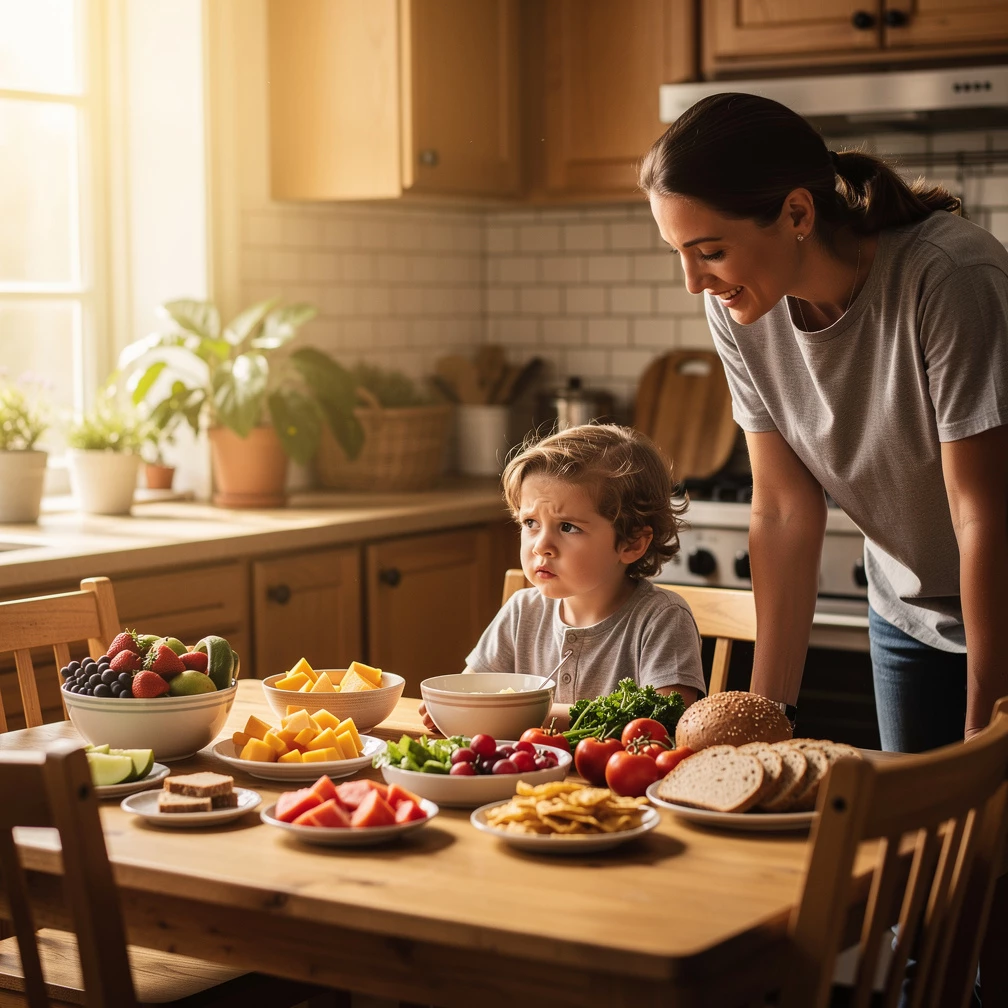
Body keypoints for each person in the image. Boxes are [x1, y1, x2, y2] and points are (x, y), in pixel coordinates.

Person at [639, 92, 1008, 758]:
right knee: (917, 843)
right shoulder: (741, 305)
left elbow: (981, 512)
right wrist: (767, 718)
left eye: (711, 251)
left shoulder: (948, 276)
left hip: (999, 587)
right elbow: (782, 508)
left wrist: (985, 717)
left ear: (797, 213)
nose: (694, 282)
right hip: (906, 606)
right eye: (680, 254)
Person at [419, 423, 705, 731]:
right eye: (530, 522)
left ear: (632, 543)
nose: (541, 545)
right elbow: (469, 694)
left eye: (568, 527)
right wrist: (451, 708)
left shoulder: (662, 620)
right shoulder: (521, 611)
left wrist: (531, 715)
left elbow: (669, 722)